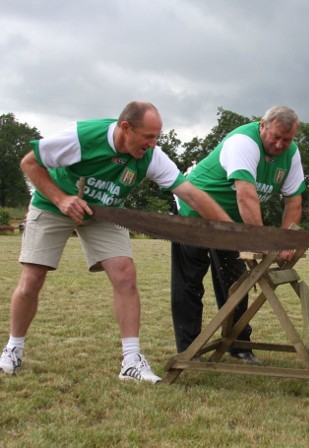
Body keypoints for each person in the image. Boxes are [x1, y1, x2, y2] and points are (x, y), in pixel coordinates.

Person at [0, 101, 231, 383]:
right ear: (125, 128)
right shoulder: (82, 136)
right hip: (54, 203)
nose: (153, 143)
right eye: (148, 136)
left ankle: (131, 362)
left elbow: (191, 194)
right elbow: (29, 163)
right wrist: (61, 199)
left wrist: (231, 231)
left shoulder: (151, 156)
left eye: (156, 136)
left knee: (125, 274)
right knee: (32, 278)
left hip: (104, 212)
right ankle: (14, 348)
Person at [171, 106, 305, 363]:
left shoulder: (292, 154)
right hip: (194, 213)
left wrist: (287, 240)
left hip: (232, 222)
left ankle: (239, 345)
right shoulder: (244, 142)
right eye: (275, 137)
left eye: (286, 140)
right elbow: (246, 195)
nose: (279, 145)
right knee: (190, 282)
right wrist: (263, 240)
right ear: (262, 126)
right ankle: (189, 350)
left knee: (235, 282)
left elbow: (293, 202)